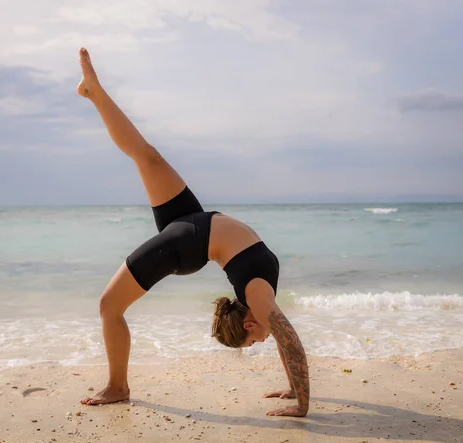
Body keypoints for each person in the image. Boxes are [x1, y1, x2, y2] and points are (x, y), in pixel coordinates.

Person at [76, 48, 309, 417]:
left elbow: (285, 338)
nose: (259, 342)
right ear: (251, 322)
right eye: (254, 343)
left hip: (189, 242)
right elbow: (290, 341)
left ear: (248, 321)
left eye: (251, 343)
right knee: (146, 155)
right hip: (192, 227)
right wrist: (301, 403)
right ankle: (95, 92)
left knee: (109, 306)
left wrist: (297, 392)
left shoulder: (258, 299)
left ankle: (118, 386)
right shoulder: (260, 301)